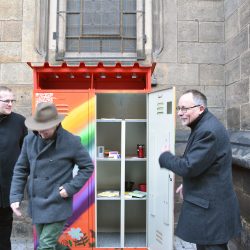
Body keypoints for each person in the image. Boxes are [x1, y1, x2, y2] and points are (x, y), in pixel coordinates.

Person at [159, 89, 242, 250]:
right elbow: (204, 165)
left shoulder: (207, 130)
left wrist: (165, 156)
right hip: (208, 209)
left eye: (184, 108)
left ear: (201, 108)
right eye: (178, 108)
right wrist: (189, 183)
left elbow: (189, 166)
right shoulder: (202, 125)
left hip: (212, 214)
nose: (179, 113)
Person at [10, 102, 94, 250]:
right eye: (38, 128)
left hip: (57, 201)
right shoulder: (29, 141)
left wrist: (70, 188)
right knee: (51, 243)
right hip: (37, 203)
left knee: (45, 245)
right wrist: (15, 196)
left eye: (45, 129)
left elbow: (87, 167)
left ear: (57, 123)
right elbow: (21, 169)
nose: (41, 133)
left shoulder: (71, 141)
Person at [0, 86, 27, 250]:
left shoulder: (19, 121)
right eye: (6, 101)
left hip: (7, 187)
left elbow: (25, 153)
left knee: (5, 227)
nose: (10, 104)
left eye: (12, 101)